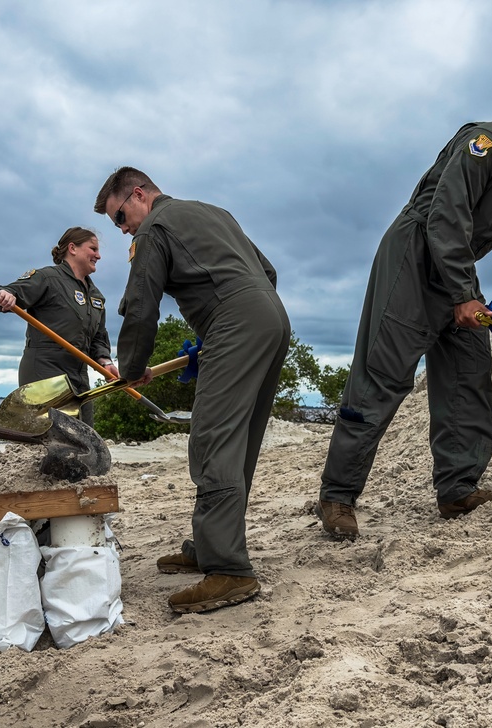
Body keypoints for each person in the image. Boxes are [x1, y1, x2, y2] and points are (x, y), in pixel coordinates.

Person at [315, 88, 492, 540]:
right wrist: (462, 294)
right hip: (413, 260)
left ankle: (457, 490)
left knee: (470, 372)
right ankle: (338, 496)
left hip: (459, 274)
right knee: (383, 376)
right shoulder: (486, 144)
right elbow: (445, 218)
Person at [94, 167, 291, 614]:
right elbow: (268, 271)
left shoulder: (156, 228)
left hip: (237, 324)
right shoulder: (212, 212)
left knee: (211, 439)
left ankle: (228, 570)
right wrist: (226, 329)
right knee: (239, 439)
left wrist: (134, 367)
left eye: (120, 217)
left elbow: (142, 306)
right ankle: (211, 545)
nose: (122, 229)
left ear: (138, 195)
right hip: (272, 318)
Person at [0, 227, 119, 426]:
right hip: (45, 371)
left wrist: (105, 361)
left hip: (79, 373)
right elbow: (8, 291)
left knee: (86, 436)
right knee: (53, 436)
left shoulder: (96, 295)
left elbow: (99, 336)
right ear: (73, 248)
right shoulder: (48, 278)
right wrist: (3, 295)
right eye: (93, 249)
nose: (98, 255)